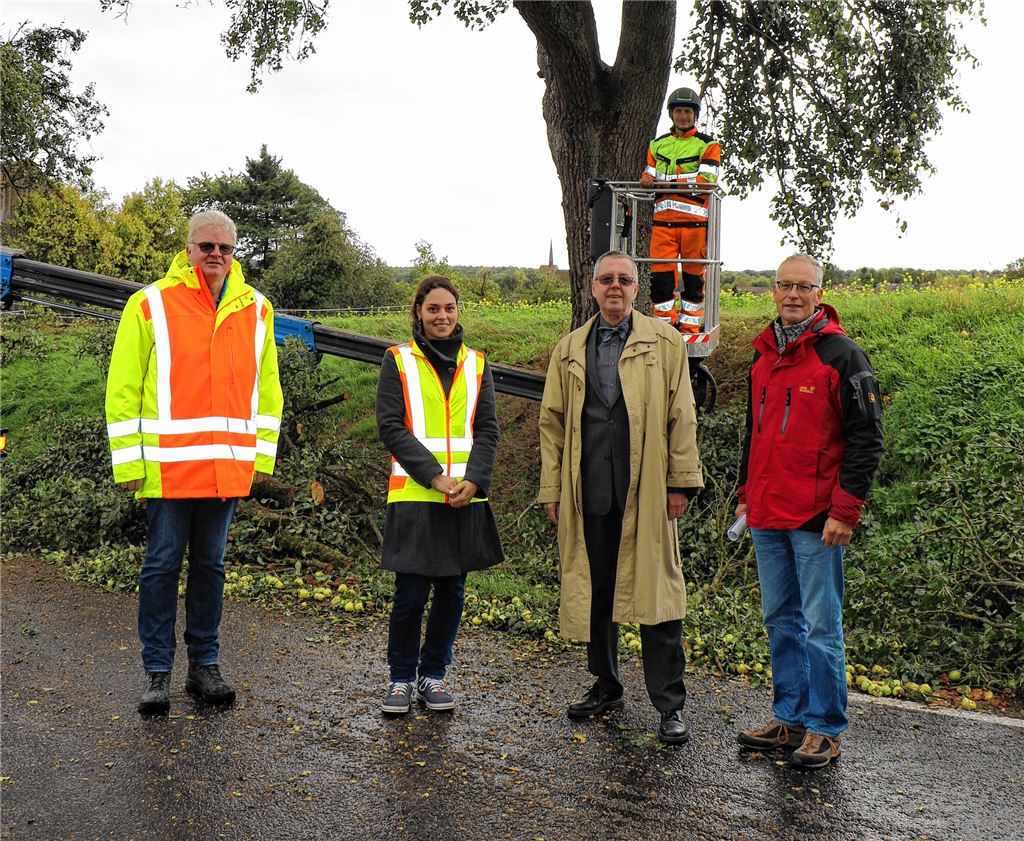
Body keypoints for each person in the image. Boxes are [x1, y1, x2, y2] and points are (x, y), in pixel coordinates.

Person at [105, 209, 283, 715]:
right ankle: (157, 674)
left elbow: (266, 390)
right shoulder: (150, 304)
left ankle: (204, 667)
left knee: (211, 567)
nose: (216, 256)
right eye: (207, 247)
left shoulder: (257, 309)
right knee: (161, 567)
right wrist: (129, 463)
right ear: (188, 250)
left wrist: (261, 456)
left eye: (225, 248)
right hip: (167, 469)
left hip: (226, 469)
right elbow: (122, 389)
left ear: (234, 252)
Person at [538, 250, 704, 744]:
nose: (615, 287)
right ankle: (606, 685)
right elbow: (552, 424)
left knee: (658, 597)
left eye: (624, 280)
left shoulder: (666, 342)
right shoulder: (569, 348)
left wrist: (679, 481)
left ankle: (669, 704)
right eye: (606, 280)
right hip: (589, 488)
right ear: (592, 289)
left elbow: (682, 415)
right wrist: (552, 488)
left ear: (638, 289)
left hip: (647, 487)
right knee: (598, 592)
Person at [735, 253, 883, 769]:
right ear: (773, 292)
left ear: (820, 293)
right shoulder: (762, 359)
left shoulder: (843, 357)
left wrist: (845, 510)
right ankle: (790, 718)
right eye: (784, 286)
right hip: (767, 513)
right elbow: (751, 436)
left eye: (804, 287)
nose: (793, 295)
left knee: (821, 626)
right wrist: (744, 493)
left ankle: (824, 727)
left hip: (818, 519)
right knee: (780, 619)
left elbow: (867, 439)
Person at [376, 275, 503, 715]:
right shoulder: (398, 359)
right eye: (433, 309)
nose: (442, 316)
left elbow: (487, 429)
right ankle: (399, 680)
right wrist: (433, 476)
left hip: (464, 499)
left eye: (449, 308)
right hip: (415, 495)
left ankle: (433, 676)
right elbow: (390, 426)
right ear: (418, 313)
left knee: (452, 593)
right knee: (410, 596)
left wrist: (476, 479)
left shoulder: (478, 363)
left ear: (458, 311)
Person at [639, 87, 721, 335]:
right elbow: (649, 173)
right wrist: (645, 178)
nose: (682, 116)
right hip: (662, 224)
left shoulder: (708, 144)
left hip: (695, 225)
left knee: (694, 283)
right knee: (661, 282)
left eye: (687, 111)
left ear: (695, 115)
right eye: (678, 111)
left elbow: (706, 179)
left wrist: (670, 184)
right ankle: (665, 328)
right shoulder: (657, 145)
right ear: (671, 114)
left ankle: (689, 328)